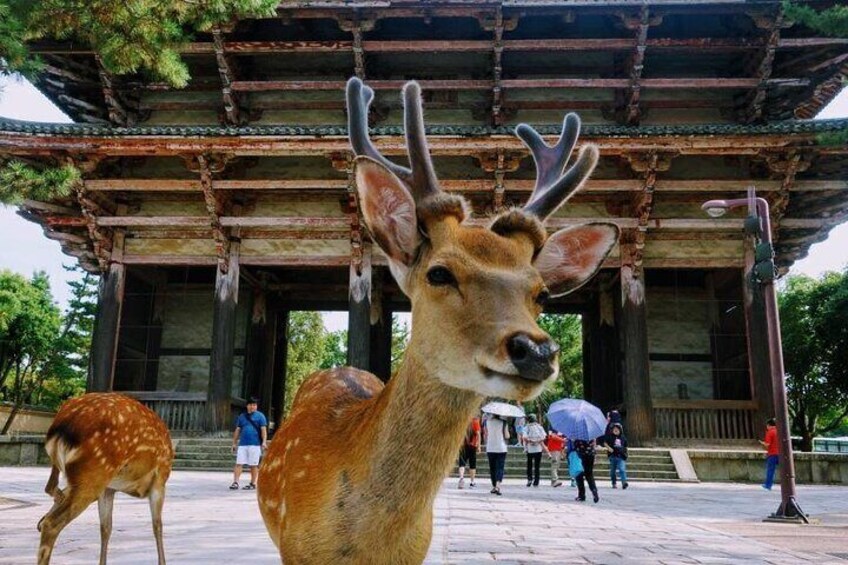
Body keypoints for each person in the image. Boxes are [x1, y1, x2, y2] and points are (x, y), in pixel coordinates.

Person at [230, 397, 268, 490]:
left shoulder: (260, 416)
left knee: (253, 465)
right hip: (243, 444)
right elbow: (237, 430)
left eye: (254, 405)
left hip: (255, 444)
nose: (252, 407)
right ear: (247, 406)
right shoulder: (242, 417)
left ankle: (253, 483)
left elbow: (263, 430)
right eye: (251, 405)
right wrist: (234, 443)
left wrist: (264, 442)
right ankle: (235, 482)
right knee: (239, 463)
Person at [483, 413, 510, 495]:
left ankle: (494, 486)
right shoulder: (504, 422)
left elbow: (485, 435)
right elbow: (507, 436)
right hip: (501, 448)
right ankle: (498, 486)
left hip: (490, 447)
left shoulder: (486, 422)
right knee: (500, 467)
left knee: (492, 468)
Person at [457, 415, 482, 489]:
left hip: (463, 445)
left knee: (462, 463)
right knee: (472, 464)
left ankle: (461, 478)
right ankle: (472, 482)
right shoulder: (475, 421)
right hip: (473, 445)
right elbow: (478, 434)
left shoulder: (462, 420)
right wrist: (479, 446)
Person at [523, 414, 548, 487]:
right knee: (537, 466)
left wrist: (530, 441)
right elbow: (544, 437)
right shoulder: (539, 427)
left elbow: (524, 437)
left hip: (530, 449)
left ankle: (529, 479)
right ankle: (536, 481)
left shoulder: (526, 427)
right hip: (538, 449)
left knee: (529, 465)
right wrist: (537, 441)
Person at [572, 438, 599, 503]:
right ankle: (594, 490)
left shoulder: (577, 434)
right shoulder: (590, 434)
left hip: (581, 455)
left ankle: (582, 495)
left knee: (579, 476)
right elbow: (594, 444)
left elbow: (574, 447)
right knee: (589, 475)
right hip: (590, 455)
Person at [604, 423, 629, 489]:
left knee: (622, 469)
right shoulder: (610, 436)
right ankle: (614, 483)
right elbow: (605, 443)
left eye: (617, 429)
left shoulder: (623, 437)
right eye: (614, 429)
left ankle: (624, 483)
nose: (616, 430)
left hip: (621, 456)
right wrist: (609, 448)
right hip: (612, 456)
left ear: (620, 430)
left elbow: (625, 446)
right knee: (612, 471)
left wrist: (626, 453)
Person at [759, 417, 780, 491]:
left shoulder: (770, 432)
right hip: (780, 453)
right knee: (784, 471)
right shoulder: (779, 431)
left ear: (768, 425)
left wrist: (762, 443)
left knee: (770, 470)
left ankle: (768, 485)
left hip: (772, 453)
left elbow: (767, 444)